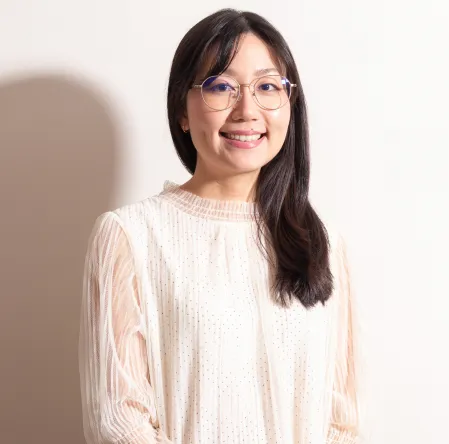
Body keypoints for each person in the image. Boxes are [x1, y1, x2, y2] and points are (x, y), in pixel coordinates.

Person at [79, 8, 364, 444]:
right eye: (221, 86)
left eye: (267, 86)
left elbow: (342, 420)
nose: (246, 110)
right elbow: (120, 421)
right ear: (182, 110)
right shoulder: (130, 236)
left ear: (290, 105)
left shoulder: (322, 242)